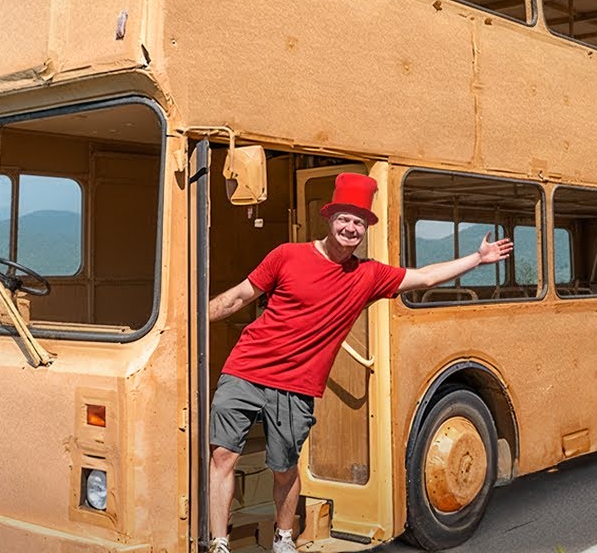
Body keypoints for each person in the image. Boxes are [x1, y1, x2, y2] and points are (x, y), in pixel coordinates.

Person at [205, 172, 513, 553]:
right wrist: (186, 322)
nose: (350, 228)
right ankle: (218, 543)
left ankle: (283, 539)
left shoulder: (367, 275)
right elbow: (238, 297)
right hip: (246, 368)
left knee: (284, 469)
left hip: (297, 384)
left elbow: (424, 278)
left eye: (358, 222)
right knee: (222, 455)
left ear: (365, 227)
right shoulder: (287, 255)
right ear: (329, 219)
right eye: (344, 219)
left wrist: (477, 259)